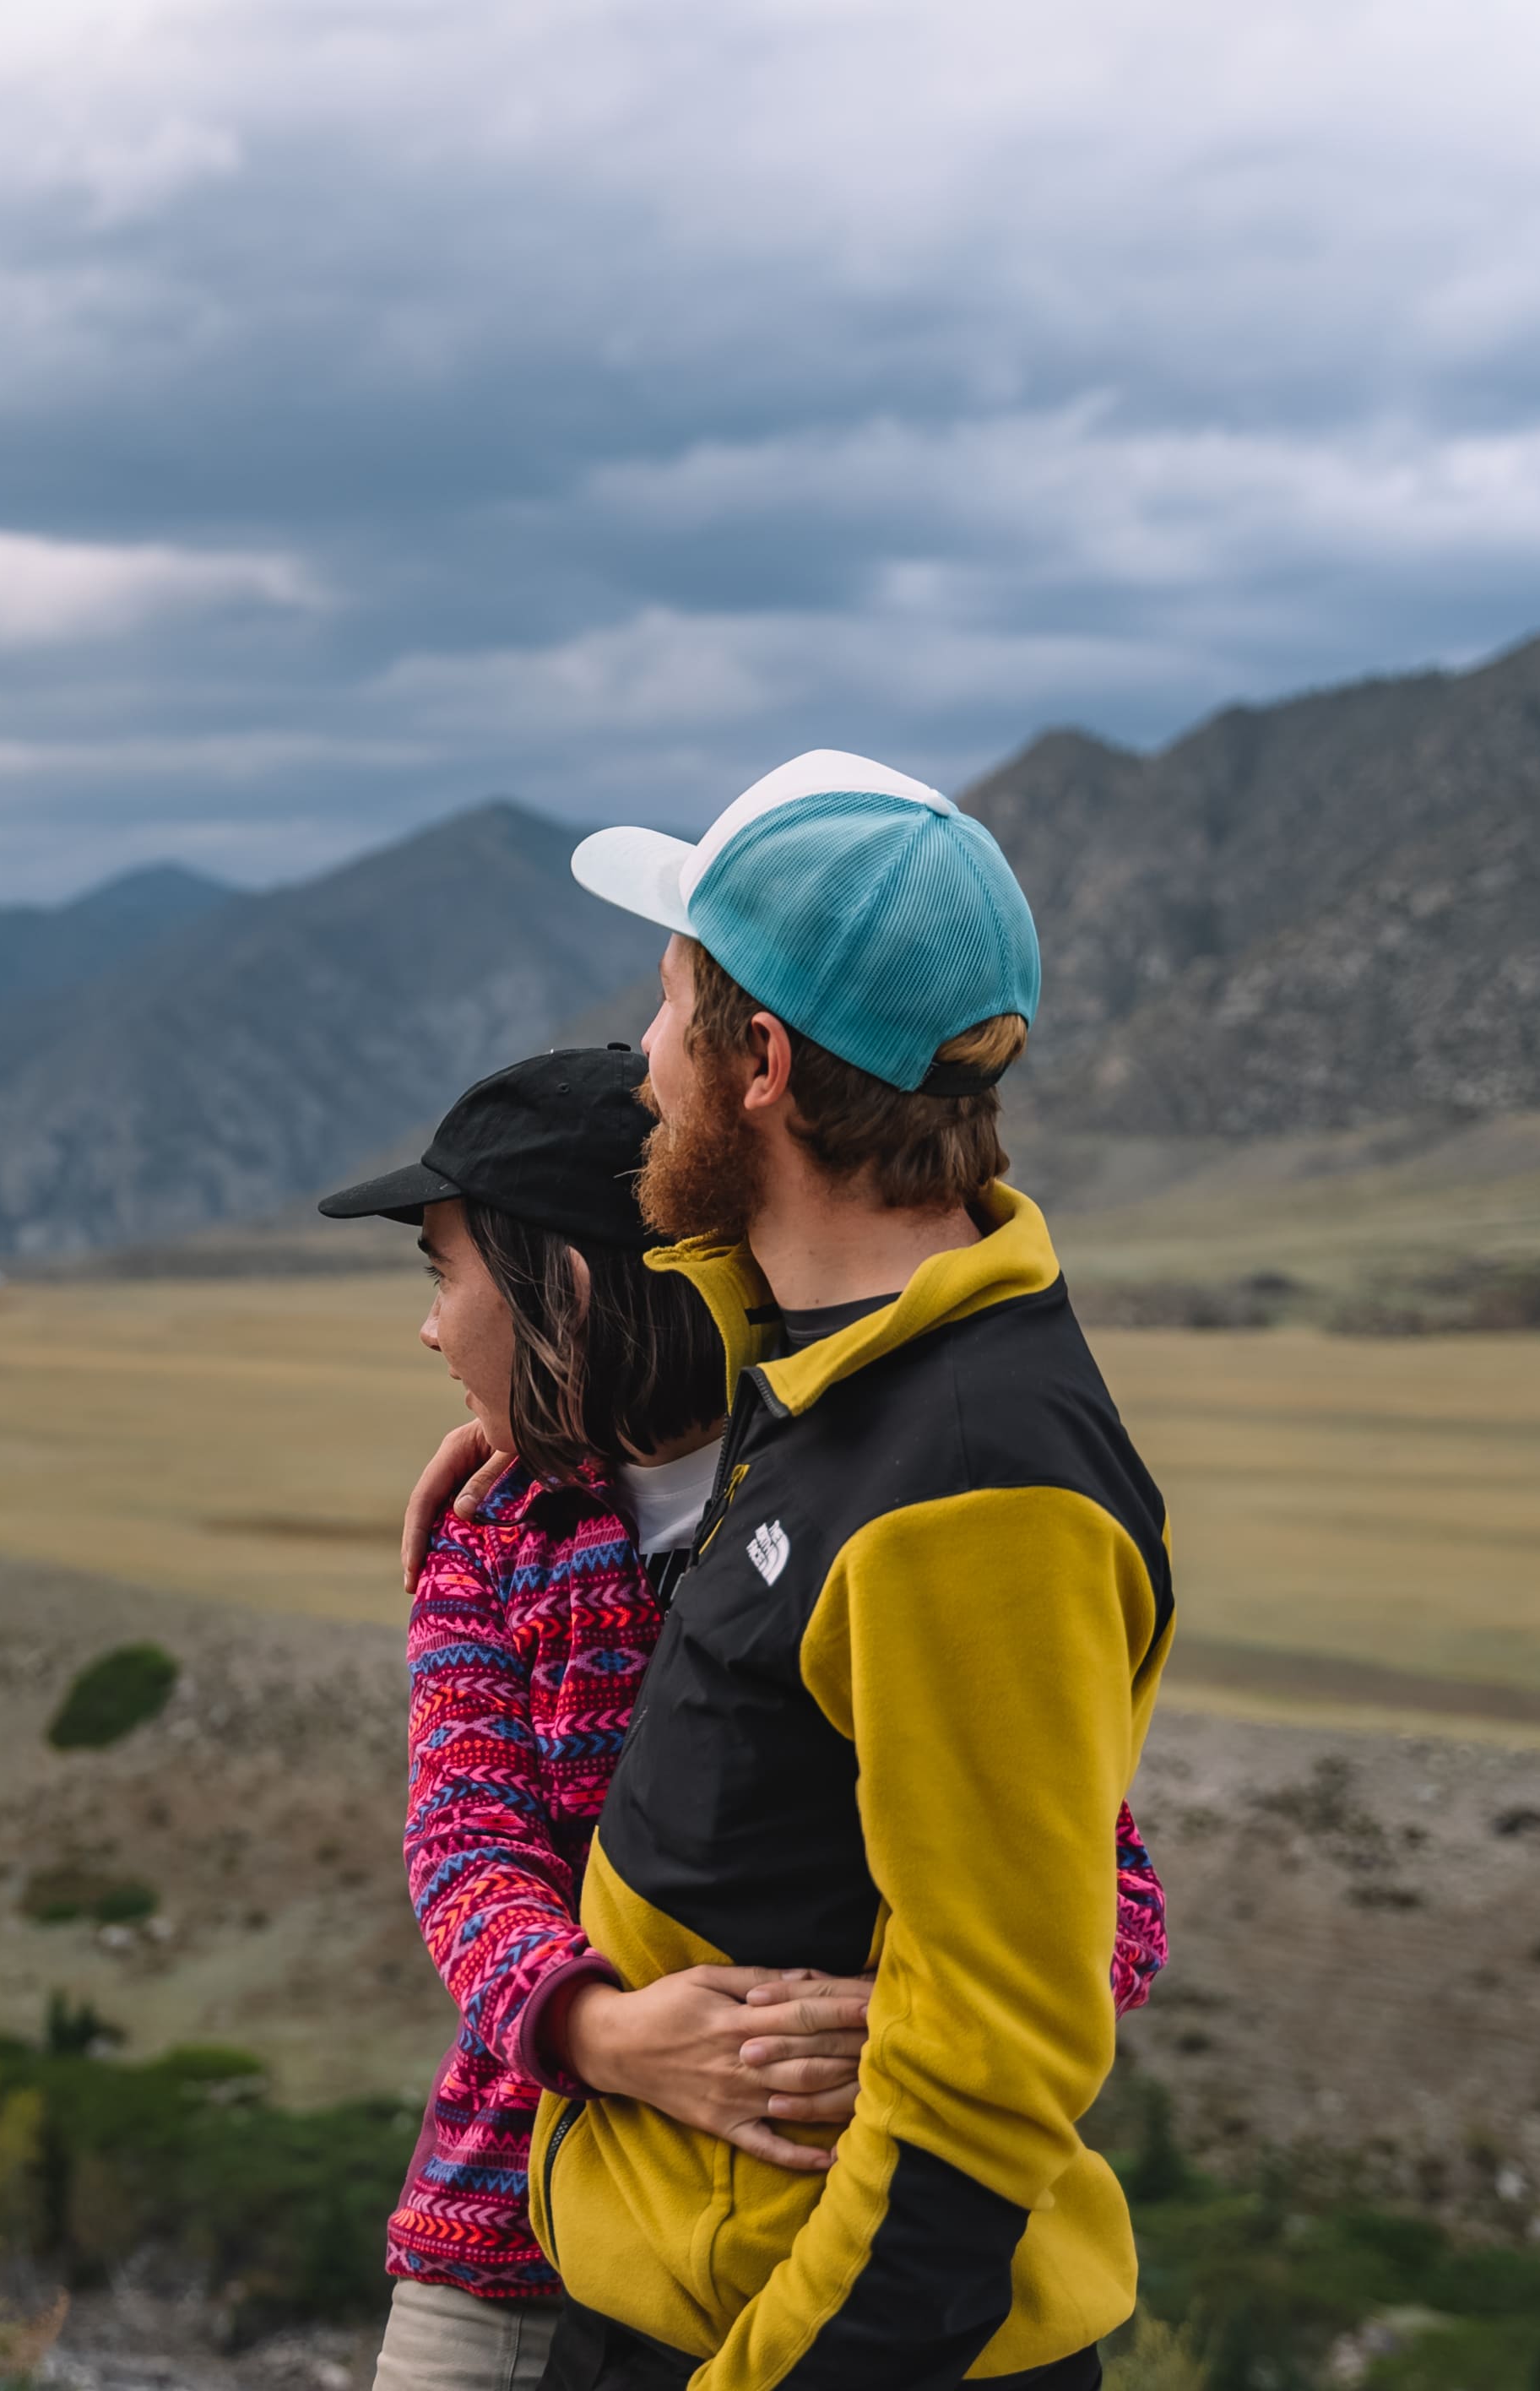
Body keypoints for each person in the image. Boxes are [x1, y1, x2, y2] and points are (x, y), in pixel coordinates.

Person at [318, 1044, 1167, 2391]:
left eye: (445, 1270)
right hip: (511, 2234)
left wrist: (877, 2035)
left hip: (838, 2232)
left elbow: (1092, 1891)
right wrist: (610, 2038)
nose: (428, 1326)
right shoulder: (499, 1539)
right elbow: (466, 1849)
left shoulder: (870, 1494)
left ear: (565, 1289)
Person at [488, 750, 1176, 2391]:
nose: (638, 1060)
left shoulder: (967, 1484)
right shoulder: (836, 1373)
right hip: (701, 2296)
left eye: (665, 1011)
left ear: (760, 1066)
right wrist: (543, 1440)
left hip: (796, 2340)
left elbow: (980, 2079)